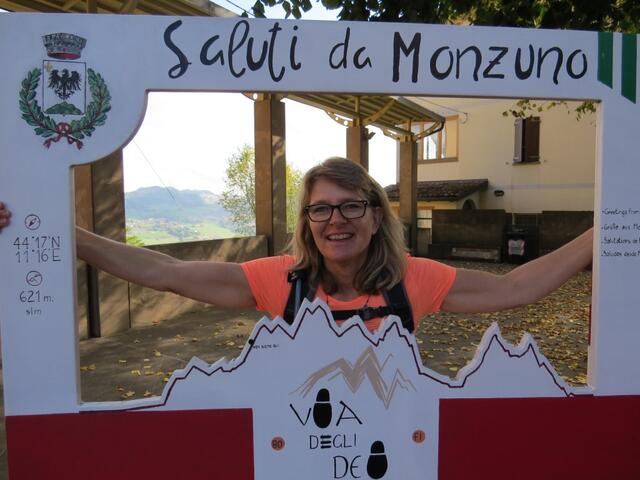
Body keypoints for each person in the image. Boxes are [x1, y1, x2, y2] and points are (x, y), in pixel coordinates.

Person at [0, 158, 593, 332]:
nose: (336, 220)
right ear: (307, 221)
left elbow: (518, 287)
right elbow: (161, 272)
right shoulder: (278, 279)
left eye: (350, 205)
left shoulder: (414, 278)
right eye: (320, 208)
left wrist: (604, 233)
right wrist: (58, 232)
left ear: (375, 215)